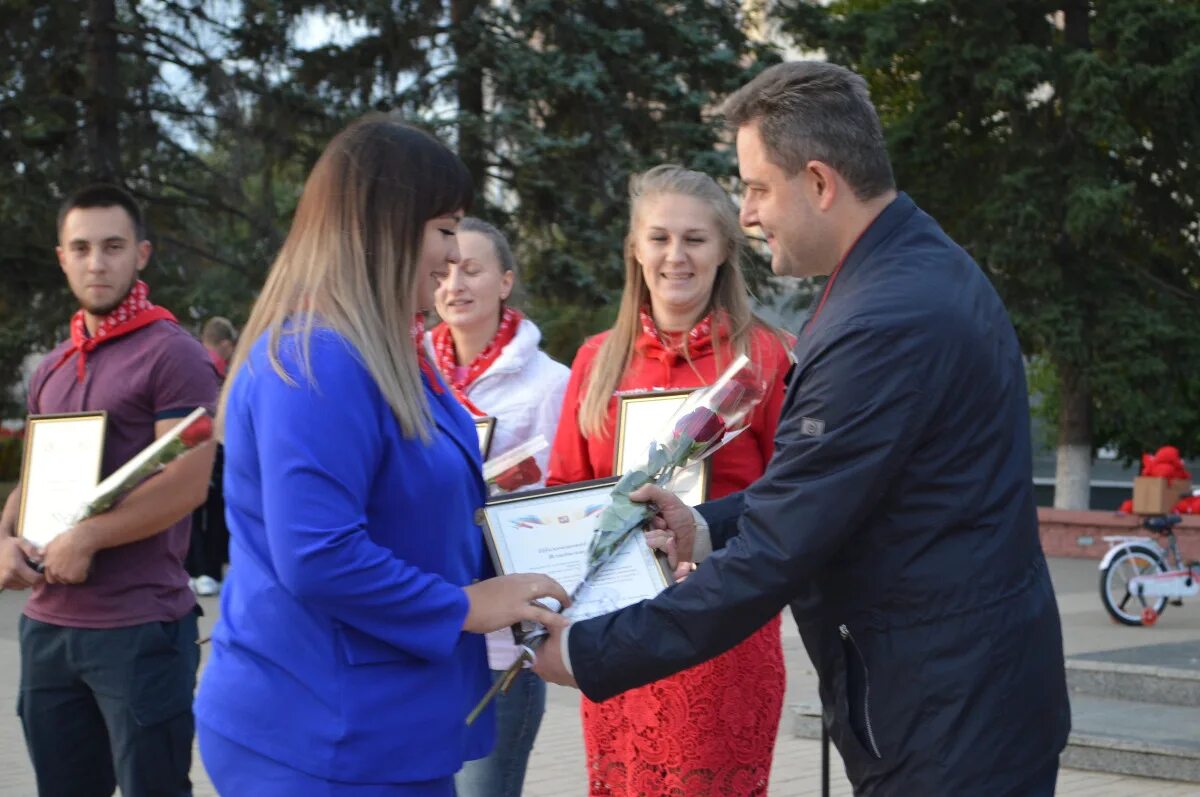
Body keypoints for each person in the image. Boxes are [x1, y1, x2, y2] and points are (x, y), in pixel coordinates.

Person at [534, 61, 1071, 796]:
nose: (747, 214)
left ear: (819, 182)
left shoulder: (883, 318)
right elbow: (837, 482)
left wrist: (590, 650)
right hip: (961, 694)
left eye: (757, 188)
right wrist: (705, 524)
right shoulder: (904, 270)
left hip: (946, 715)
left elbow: (784, 544)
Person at [192, 116, 570, 797]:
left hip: (375, 722)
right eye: (445, 226)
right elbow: (319, 553)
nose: (453, 253)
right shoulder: (324, 358)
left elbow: (425, 510)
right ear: (385, 226)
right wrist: (464, 603)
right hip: (324, 733)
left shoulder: (380, 350)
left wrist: (573, 546)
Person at [547, 164, 793, 796]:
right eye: (659, 238)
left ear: (724, 251)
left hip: (721, 635)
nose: (675, 256)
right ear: (635, 248)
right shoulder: (597, 360)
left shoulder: (767, 358)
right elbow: (565, 488)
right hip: (616, 630)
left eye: (695, 239)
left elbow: (793, 497)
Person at [0, 184, 219, 797]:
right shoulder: (52, 365)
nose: (97, 262)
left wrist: (90, 536)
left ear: (141, 254)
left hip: (138, 628)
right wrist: (4, 537)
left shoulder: (173, 354)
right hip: (46, 628)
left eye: (113, 246)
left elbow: (187, 483)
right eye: (82, 248)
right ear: (62, 257)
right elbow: (33, 477)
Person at [424, 217, 571, 797]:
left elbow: (567, 503)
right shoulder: (410, 371)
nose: (454, 283)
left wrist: (509, 493)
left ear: (505, 281)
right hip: (428, 624)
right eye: (446, 268)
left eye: (473, 269)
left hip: (500, 641)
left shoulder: (549, 383)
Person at [186, 316, 237, 596]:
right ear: (226, 344)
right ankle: (210, 571)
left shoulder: (189, 361)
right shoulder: (220, 370)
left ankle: (192, 569)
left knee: (189, 510)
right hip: (215, 443)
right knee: (216, 509)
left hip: (189, 444)